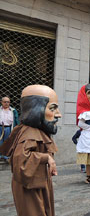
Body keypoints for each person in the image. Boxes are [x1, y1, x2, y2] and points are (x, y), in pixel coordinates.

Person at [0, 85, 61, 216]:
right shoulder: (30, 134)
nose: (58, 114)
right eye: (52, 108)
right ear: (35, 109)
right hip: (30, 186)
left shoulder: (35, 130)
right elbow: (20, 161)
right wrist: (46, 158)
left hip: (37, 182)